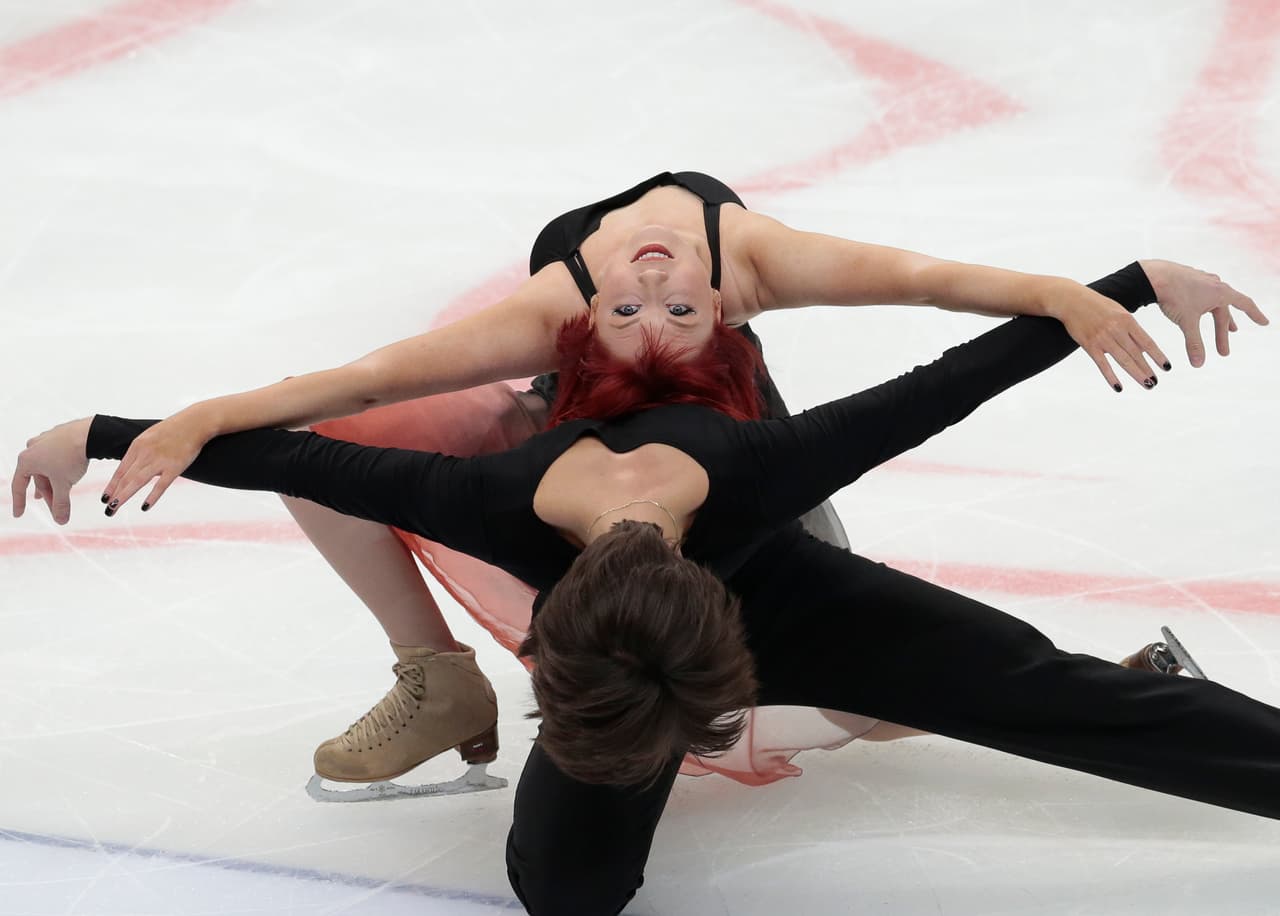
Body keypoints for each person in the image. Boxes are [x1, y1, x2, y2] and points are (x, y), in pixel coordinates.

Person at [13, 263, 1277, 914]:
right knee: (564, 892)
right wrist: (116, 428)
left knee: (1036, 693)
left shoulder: (763, 462)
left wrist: (1113, 290)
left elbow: (945, 379)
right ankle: (465, 687)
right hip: (633, 669)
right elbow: (288, 450)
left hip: (801, 595)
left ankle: (1123, 690)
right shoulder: (497, 498)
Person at [36, 172, 1264, 791]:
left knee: (798, 685)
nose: (656, 283)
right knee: (354, 460)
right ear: (573, 342)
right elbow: (340, 393)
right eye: (629, 306)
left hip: (732, 487)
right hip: (581, 478)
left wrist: (1110, 283)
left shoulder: (754, 278)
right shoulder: (548, 319)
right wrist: (169, 421)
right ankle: (437, 678)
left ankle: (1111, 684)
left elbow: (942, 296)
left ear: (732, 317)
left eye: (680, 304)